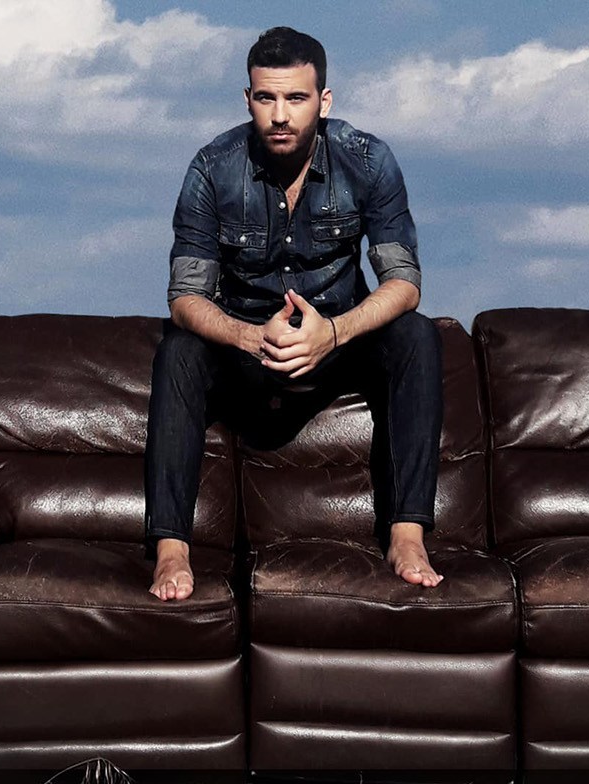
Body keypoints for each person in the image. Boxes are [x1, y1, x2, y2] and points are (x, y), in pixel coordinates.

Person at [145, 27, 443, 601]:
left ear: (323, 101)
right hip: (245, 350)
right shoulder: (211, 168)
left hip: (337, 344)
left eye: (296, 98)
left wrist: (333, 333)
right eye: (266, 98)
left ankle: (407, 536)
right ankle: (170, 551)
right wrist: (249, 337)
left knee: (416, 335)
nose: (280, 115)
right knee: (179, 350)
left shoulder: (368, 160)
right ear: (248, 99)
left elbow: (404, 284)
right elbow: (184, 298)